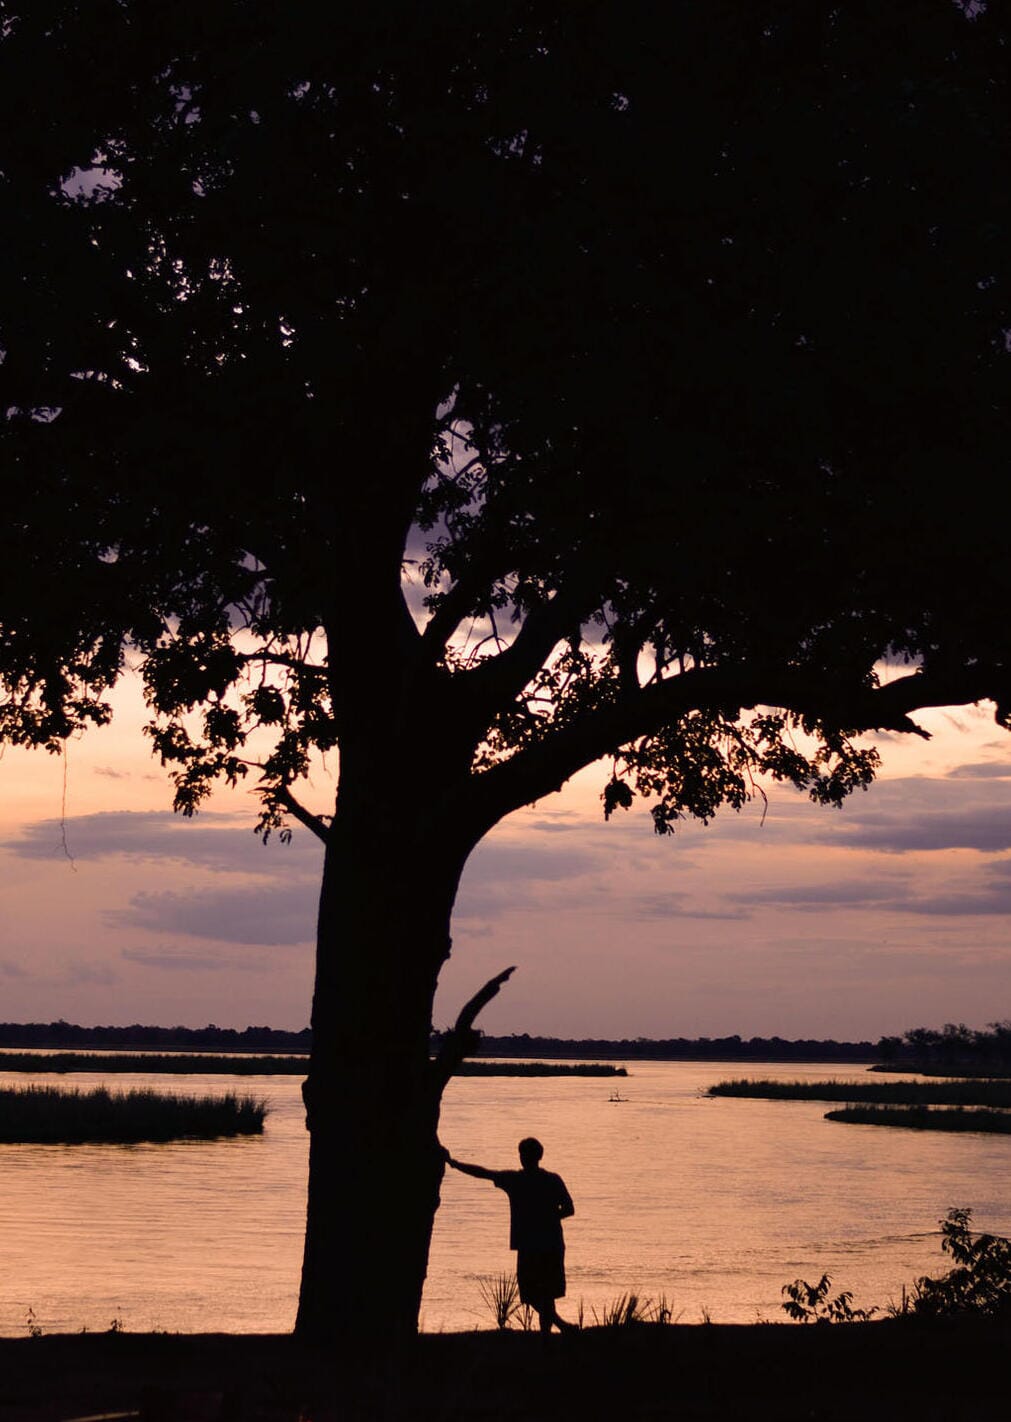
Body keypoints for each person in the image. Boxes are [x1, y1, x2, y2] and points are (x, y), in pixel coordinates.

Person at [446, 1136, 577, 1333]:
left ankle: (552, 1333)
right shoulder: (548, 1179)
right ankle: (558, 1329)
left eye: (523, 1154)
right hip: (549, 1242)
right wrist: (455, 1164)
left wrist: (454, 1164)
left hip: (534, 1243)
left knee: (536, 1293)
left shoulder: (518, 1180)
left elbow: (483, 1173)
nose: (522, 1158)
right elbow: (568, 1209)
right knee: (542, 1293)